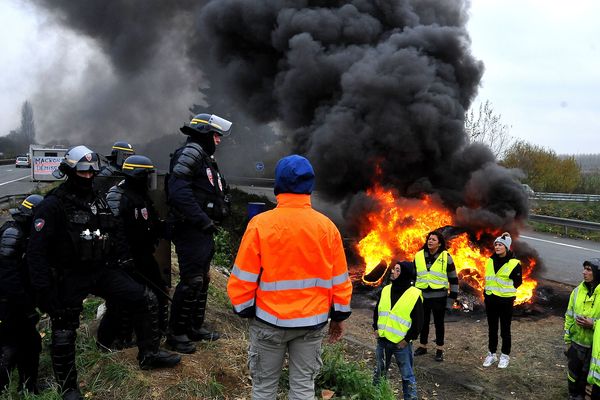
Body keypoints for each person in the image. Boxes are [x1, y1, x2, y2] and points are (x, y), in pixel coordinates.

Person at [27, 145, 180, 400]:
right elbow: (36, 253)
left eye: (91, 173)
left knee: (146, 298)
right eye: (82, 173)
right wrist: (44, 292)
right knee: (64, 327)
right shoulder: (53, 205)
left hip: (102, 269)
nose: (87, 178)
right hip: (70, 275)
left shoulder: (96, 200)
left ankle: (149, 354)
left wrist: (122, 259)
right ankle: (69, 388)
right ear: (70, 171)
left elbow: (112, 231)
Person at [227, 154, 353, 400]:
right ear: (310, 186)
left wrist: (245, 310)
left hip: (268, 322)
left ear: (278, 186)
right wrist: (338, 317)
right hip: (311, 324)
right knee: (304, 388)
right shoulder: (327, 228)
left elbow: (243, 276)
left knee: (263, 389)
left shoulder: (260, 225)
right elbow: (340, 280)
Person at [166, 113, 232, 353]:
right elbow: (178, 192)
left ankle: (194, 327)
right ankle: (176, 333)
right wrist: (202, 220)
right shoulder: (191, 153)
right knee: (192, 280)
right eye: (216, 135)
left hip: (201, 230)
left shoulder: (204, 158)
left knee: (202, 279)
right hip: (190, 229)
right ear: (204, 133)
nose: (219, 140)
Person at [97, 155, 170, 350]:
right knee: (120, 303)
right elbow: (115, 231)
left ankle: (158, 334)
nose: (148, 179)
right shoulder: (117, 195)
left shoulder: (141, 195)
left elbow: (152, 223)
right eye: (146, 175)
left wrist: (171, 228)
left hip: (143, 255)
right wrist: (123, 257)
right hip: (124, 260)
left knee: (160, 293)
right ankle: (113, 341)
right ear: (137, 175)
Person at [0, 194, 43, 394]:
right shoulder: (12, 234)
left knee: (29, 345)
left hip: (15, 303)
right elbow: (8, 277)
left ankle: (27, 388)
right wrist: (27, 307)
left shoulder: (23, 233)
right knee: (10, 348)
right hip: (7, 304)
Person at [373, 261, 423, 400]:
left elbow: (418, 322)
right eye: (394, 269)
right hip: (382, 340)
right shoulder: (386, 289)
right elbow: (378, 310)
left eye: (397, 270)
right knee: (379, 372)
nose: (393, 272)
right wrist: (375, 328)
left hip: (401, 344)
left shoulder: (414, 294)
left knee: (407, 376)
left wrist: (407, 340)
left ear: (405, 274)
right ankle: (375, 396)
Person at [413, 230, 458, 361]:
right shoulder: (419, 255)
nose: (430, 241)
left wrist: (451, 300)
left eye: (433, 240)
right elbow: (413, 276)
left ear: (439, 243)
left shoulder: (446, 257)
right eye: (429, 239)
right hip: (422, 296)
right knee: (423, 322)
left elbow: (453, 279)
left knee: (439, 323)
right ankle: (423, 346)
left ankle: (439, 349)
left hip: (439, 297)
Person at [481, 232, 522, 369]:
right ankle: (492, 354)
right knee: (492, 329)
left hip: (505, 302)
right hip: (491, 300)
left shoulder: (514, 263)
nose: (497, 247)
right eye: (496, 244)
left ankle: (505, 355)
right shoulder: (490, 261)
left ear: (507, 247)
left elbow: (518, 282)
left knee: (505, 330)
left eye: (500, 245)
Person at [564, 259, 600, 399]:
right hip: (576, 343)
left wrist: (594, 324)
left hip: (594, 348)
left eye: (589, 269)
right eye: (584, 269)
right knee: (573, 375)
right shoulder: (577, 291)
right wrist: (567, 341)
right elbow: (569, 316)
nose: (584, 272)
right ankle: (573, 395)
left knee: (587, 378)